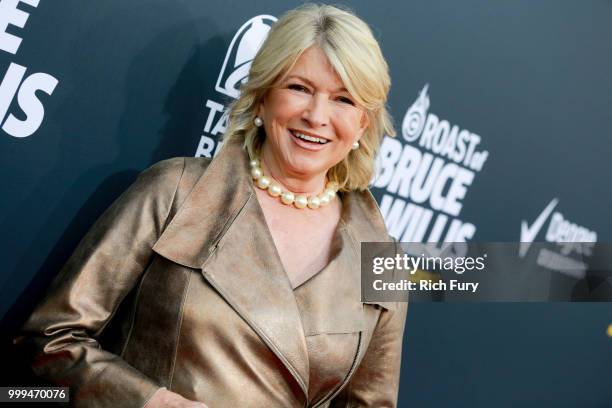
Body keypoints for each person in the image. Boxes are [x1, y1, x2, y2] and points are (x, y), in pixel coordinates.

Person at [15, 4, 408, 407]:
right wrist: (152, 402)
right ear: (261, 98)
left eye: (343, 99)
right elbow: (50, 340)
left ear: (363, 122)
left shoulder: (380, 258)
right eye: (299, 88)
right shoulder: (176, 191)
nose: (316, 116)